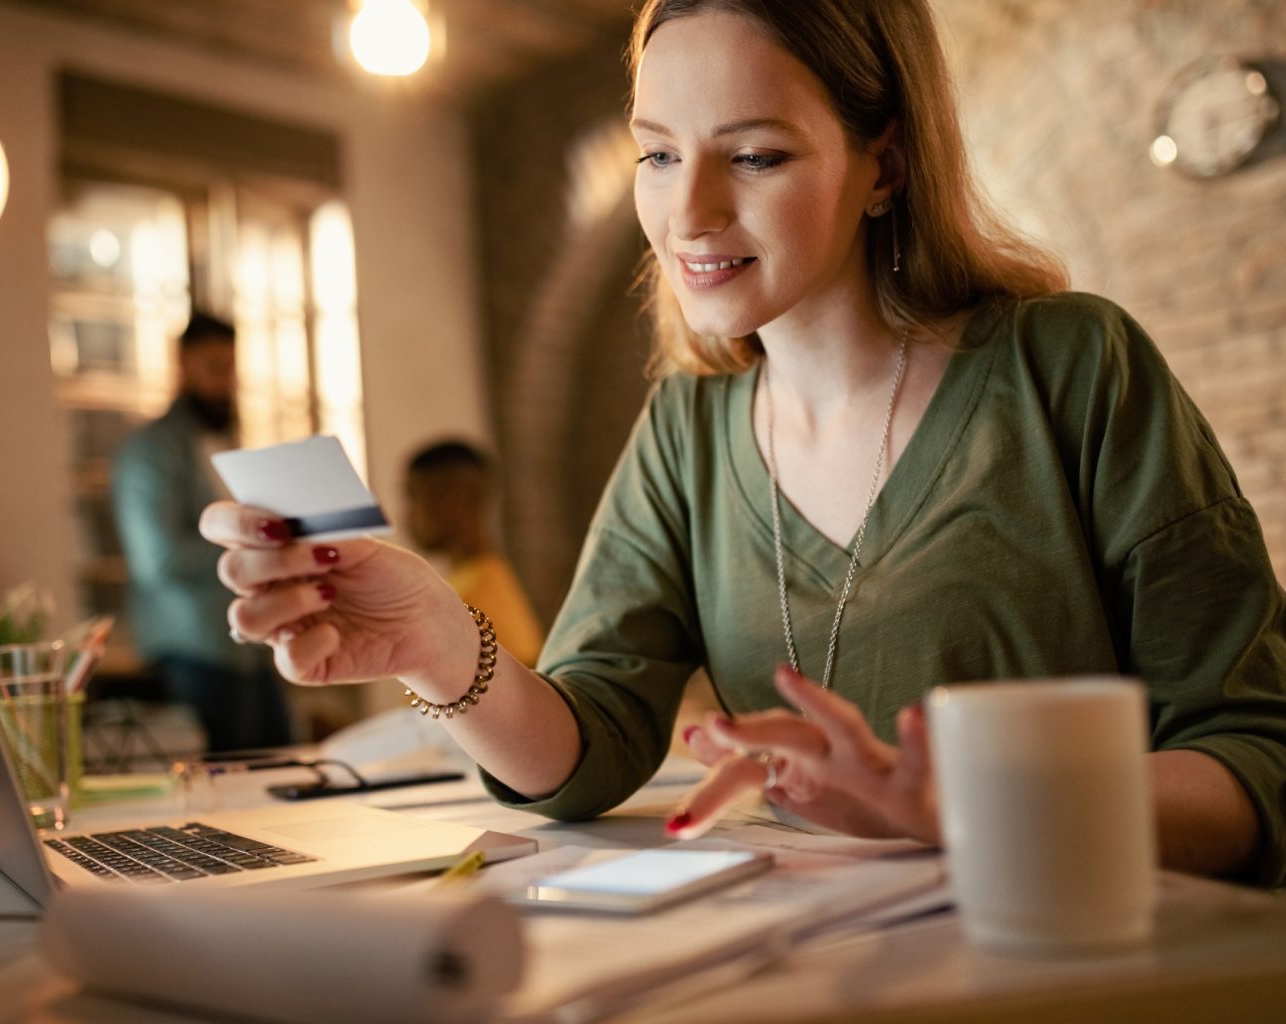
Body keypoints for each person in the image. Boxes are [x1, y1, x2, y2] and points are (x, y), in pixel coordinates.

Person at [200, 0, 1286, 885]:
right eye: (658, 155)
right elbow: (589, 750)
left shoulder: (1072, 368)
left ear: (886, 168)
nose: (688, 213)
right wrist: (439, 640)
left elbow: (1256, 763)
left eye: (755, 156)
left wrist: (969, 805)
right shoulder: (687, 429)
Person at [112, 312, 291, 753]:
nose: (225, 380)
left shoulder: (232, 440)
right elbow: (158, 561)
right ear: (183, 365)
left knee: (283, 769)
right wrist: (260, 552)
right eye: (214, 367)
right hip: (193, 651)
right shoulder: (149, 450)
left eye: (231, 367)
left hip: (250, 647)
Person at [403, 440, 545, 667]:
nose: (407, 515)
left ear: (453, 499)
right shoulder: (460, 583)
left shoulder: (482, 592)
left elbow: (522, 686)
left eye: (413, 497)